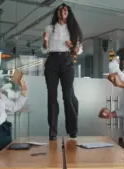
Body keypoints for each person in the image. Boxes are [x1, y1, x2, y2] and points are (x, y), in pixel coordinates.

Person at [41, 3, 83, 140]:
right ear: (57, 12)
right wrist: (45, 42)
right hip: (52, 61)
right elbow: (44, 49)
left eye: (66, 10)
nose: (64, 11)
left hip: (67, 61)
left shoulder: (73, 30)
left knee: (68, 95)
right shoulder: (49, 28)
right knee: (52, 97)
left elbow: (79, 50)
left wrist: (73, 47)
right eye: (61, 9)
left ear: (69, 13)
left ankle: (72, 130)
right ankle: (53, 132)